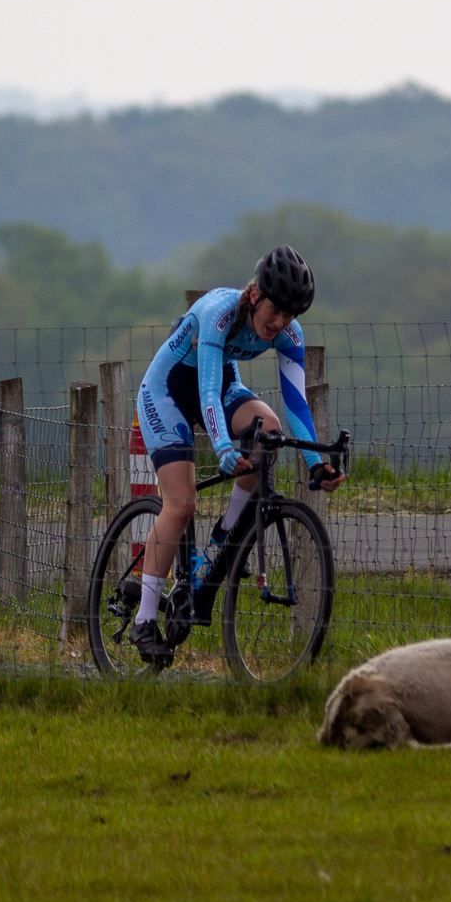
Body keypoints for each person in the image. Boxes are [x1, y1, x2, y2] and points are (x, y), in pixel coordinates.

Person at [129, 245, 343, 660]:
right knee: (181, 503)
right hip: (168, 392)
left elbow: (296, 403)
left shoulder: (289, 333)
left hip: (220, 389)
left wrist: (316, 464)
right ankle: (143, 620)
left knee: (270, 432)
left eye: (290, 315)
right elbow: (206, 391)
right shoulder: (220, 313)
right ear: (256, 295)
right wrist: (224, 448)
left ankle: (224, 537)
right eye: (275, 311)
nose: (279, 323)